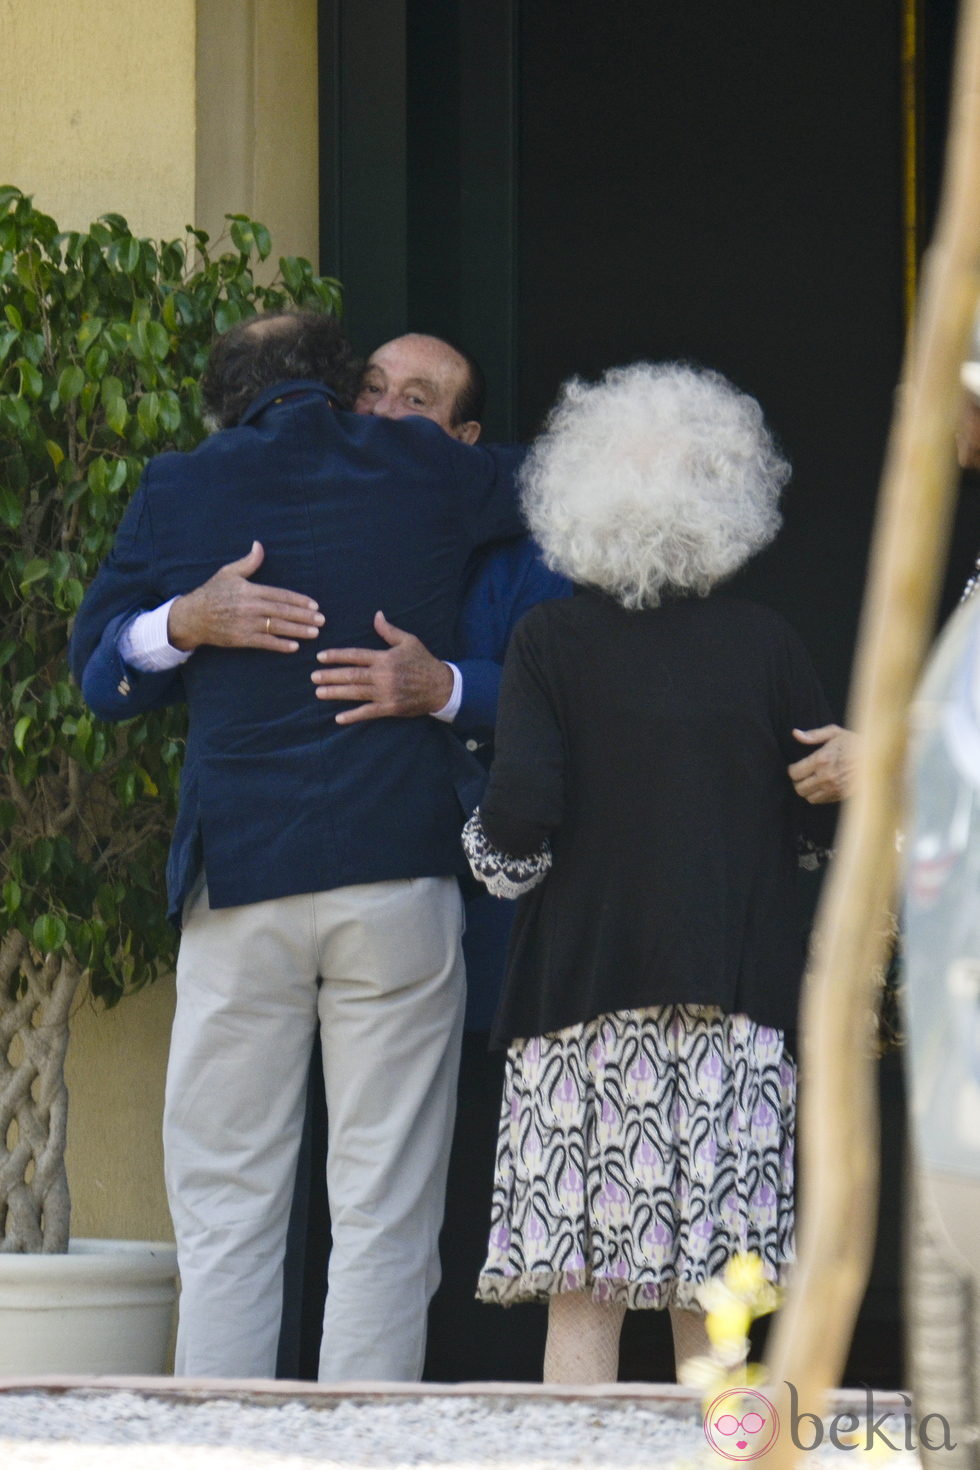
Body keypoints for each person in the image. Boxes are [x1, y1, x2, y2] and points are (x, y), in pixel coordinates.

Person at [69, 310, 526, 1383]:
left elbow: (99, 677)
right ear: (343, 382)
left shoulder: (182, 484)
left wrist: (181, 619)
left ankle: (223, 1453)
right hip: (396, 881)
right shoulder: (427, 466)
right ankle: (361, 1454)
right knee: (386, 1207)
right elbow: (570, 481)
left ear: (228, 394)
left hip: (245, 886)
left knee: (226, 1203)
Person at [461, 361, 838, 1384]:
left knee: (582, 1306)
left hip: (578, 1008)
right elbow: (818, 819)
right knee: (711, 1317)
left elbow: (520, 823)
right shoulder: (767, 644)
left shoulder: (548, 642)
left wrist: (484, 854)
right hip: (733, 1011)